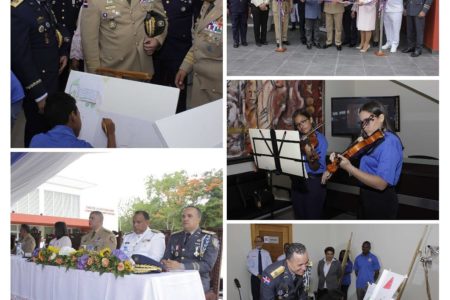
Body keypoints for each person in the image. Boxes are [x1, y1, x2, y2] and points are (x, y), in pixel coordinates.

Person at [322, 101, 403, 219]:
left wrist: (350, 168)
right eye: (362, 122)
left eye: (368, 120)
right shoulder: (370, 139)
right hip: (366, 194)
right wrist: (332, 167)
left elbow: (381, 184)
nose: (364, 126)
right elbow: (348, 154)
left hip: (381, 200)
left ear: (381, 117)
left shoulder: (389, 142)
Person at [11, 0, 71, 147]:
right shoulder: (18, 10)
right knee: (36, 131)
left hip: (51, 80)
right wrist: (39, 94)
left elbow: (53, 31)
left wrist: (62, 52)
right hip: (37, 88)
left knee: (48, 130)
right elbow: (20, 58)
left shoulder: (41, 4)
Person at [80, 0, 167, 75]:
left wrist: (157, 39)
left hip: (143, 69)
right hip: (112, 71)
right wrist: (95, 75)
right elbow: (89, 42)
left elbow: (162, 19)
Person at [152, 0, 202, 113]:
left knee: (177, 96)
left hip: (179, 52)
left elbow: (200, 21)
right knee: (156, 94)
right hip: (156, 52)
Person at [161, 206, 220, 296]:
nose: (185, 219)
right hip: (173, 278)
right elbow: (166, 258)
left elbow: (207, 265)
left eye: (189, 216)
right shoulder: (175, 237)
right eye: (183, 216)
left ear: (198, 219)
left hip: (197, 280)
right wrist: (165, 263)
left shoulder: (208, 238)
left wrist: (181, 266)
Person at [175, 0, 222, 109]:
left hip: (217, 91)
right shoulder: (206, 5)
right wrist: (184, 68)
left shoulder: (222, 10)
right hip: (200, 87)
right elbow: (198, 42)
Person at [29, 92, 116, 148]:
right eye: (79, 114)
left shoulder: (36, 141)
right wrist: (111, 134)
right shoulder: (82, 148)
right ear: (73, 116)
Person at [291, 109, 328, 219]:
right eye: (298, 125)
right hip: (298, 182)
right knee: (299, 216)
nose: (301, 126)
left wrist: (309, 153)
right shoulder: (297, 140)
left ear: (311, 120)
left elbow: (315, 167)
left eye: (303, 121)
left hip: (314, 182)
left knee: (312, 217)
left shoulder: (320, 139)